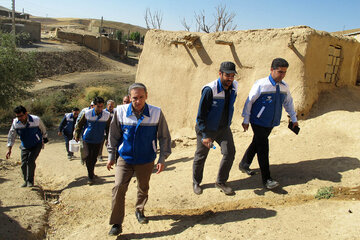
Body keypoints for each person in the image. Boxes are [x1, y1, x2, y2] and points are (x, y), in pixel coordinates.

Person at [106, 83, 171, 236]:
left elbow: (164, 137)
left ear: (146, 96)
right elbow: (113, 135)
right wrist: (110, 156)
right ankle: (116, 223)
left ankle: (139, 210)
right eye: (135, 98)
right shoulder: (120, 111)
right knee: (118, 187)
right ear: (129, 98)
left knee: (143, 187)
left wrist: (162, 158)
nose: (138, 101)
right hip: (125, 158)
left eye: (141, 97)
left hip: (146, 159)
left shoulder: (156, 113)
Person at [240, 58, 299, 189]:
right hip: (258, 121)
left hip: (272, 122)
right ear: (272, 70)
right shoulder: (261, 84)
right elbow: (249, 101)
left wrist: (294, 119)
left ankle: (244, 164)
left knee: (258, 142)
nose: (282, 75)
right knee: (263, 147)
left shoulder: (284, 86)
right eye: (280, 72)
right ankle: (267, 179)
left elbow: (288, 103)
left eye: (284, 72)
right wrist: (246, 119)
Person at [193, 61, 238, 196]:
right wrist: (205, 135)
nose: (230, 78)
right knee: (201, 156)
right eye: (227, 75)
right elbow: (200, 116)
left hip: (223, 128)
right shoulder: (209, 90)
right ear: (220, 74)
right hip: (207, 129)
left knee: (230, 152)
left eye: (232, 75)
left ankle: (221, 181)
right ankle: (196, 182)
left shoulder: (234, 87)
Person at [6, 106, 48, 187]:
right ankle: (25, 180)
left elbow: (43, 128)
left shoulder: (36, 120)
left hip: (36, 144)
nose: (19, 118)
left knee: (30, 161)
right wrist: (9, 149)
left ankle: (30, 181)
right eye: (17, 116)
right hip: (25, 145)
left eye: (21, 116)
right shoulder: (15, 123)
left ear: (26, 114)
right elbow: (11, 135)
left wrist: (45, 137)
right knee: (23, 164)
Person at [74, 97, 111, 185]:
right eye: (98, 106)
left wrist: (108, 139)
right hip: (87, 139)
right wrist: (77, 135)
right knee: (88, 157)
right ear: (94, 105)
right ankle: (90, 177)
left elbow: (108, 128)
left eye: (102, 106)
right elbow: (79, 125)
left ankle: (91, 172)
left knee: (94, 158)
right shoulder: (87, 113)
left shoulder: (106, 115)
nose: (100, 108)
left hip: (98, 139)